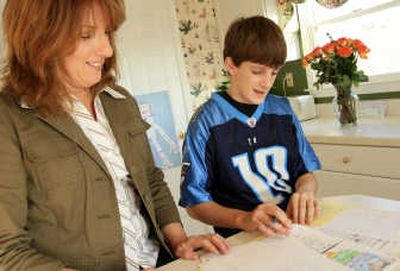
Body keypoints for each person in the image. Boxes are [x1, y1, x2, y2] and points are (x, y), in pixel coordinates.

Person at [0, 0, 229, 270]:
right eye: (86, 35)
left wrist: (179, 241)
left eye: (107, 33)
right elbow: (7, 249)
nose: (107, 49)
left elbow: (151, 181)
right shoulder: (9, 118)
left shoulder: (120, 101)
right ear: (39, 37)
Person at [179, 16, 321, 238]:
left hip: (292, 230)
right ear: (231, 65)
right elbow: (194, 204)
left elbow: (306, 174)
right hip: (240, 239)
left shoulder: (283, 110)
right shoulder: (205, 122)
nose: (267, 82)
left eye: (274, 72)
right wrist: (243, 219)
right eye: (257, 71)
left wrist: (305, 191)